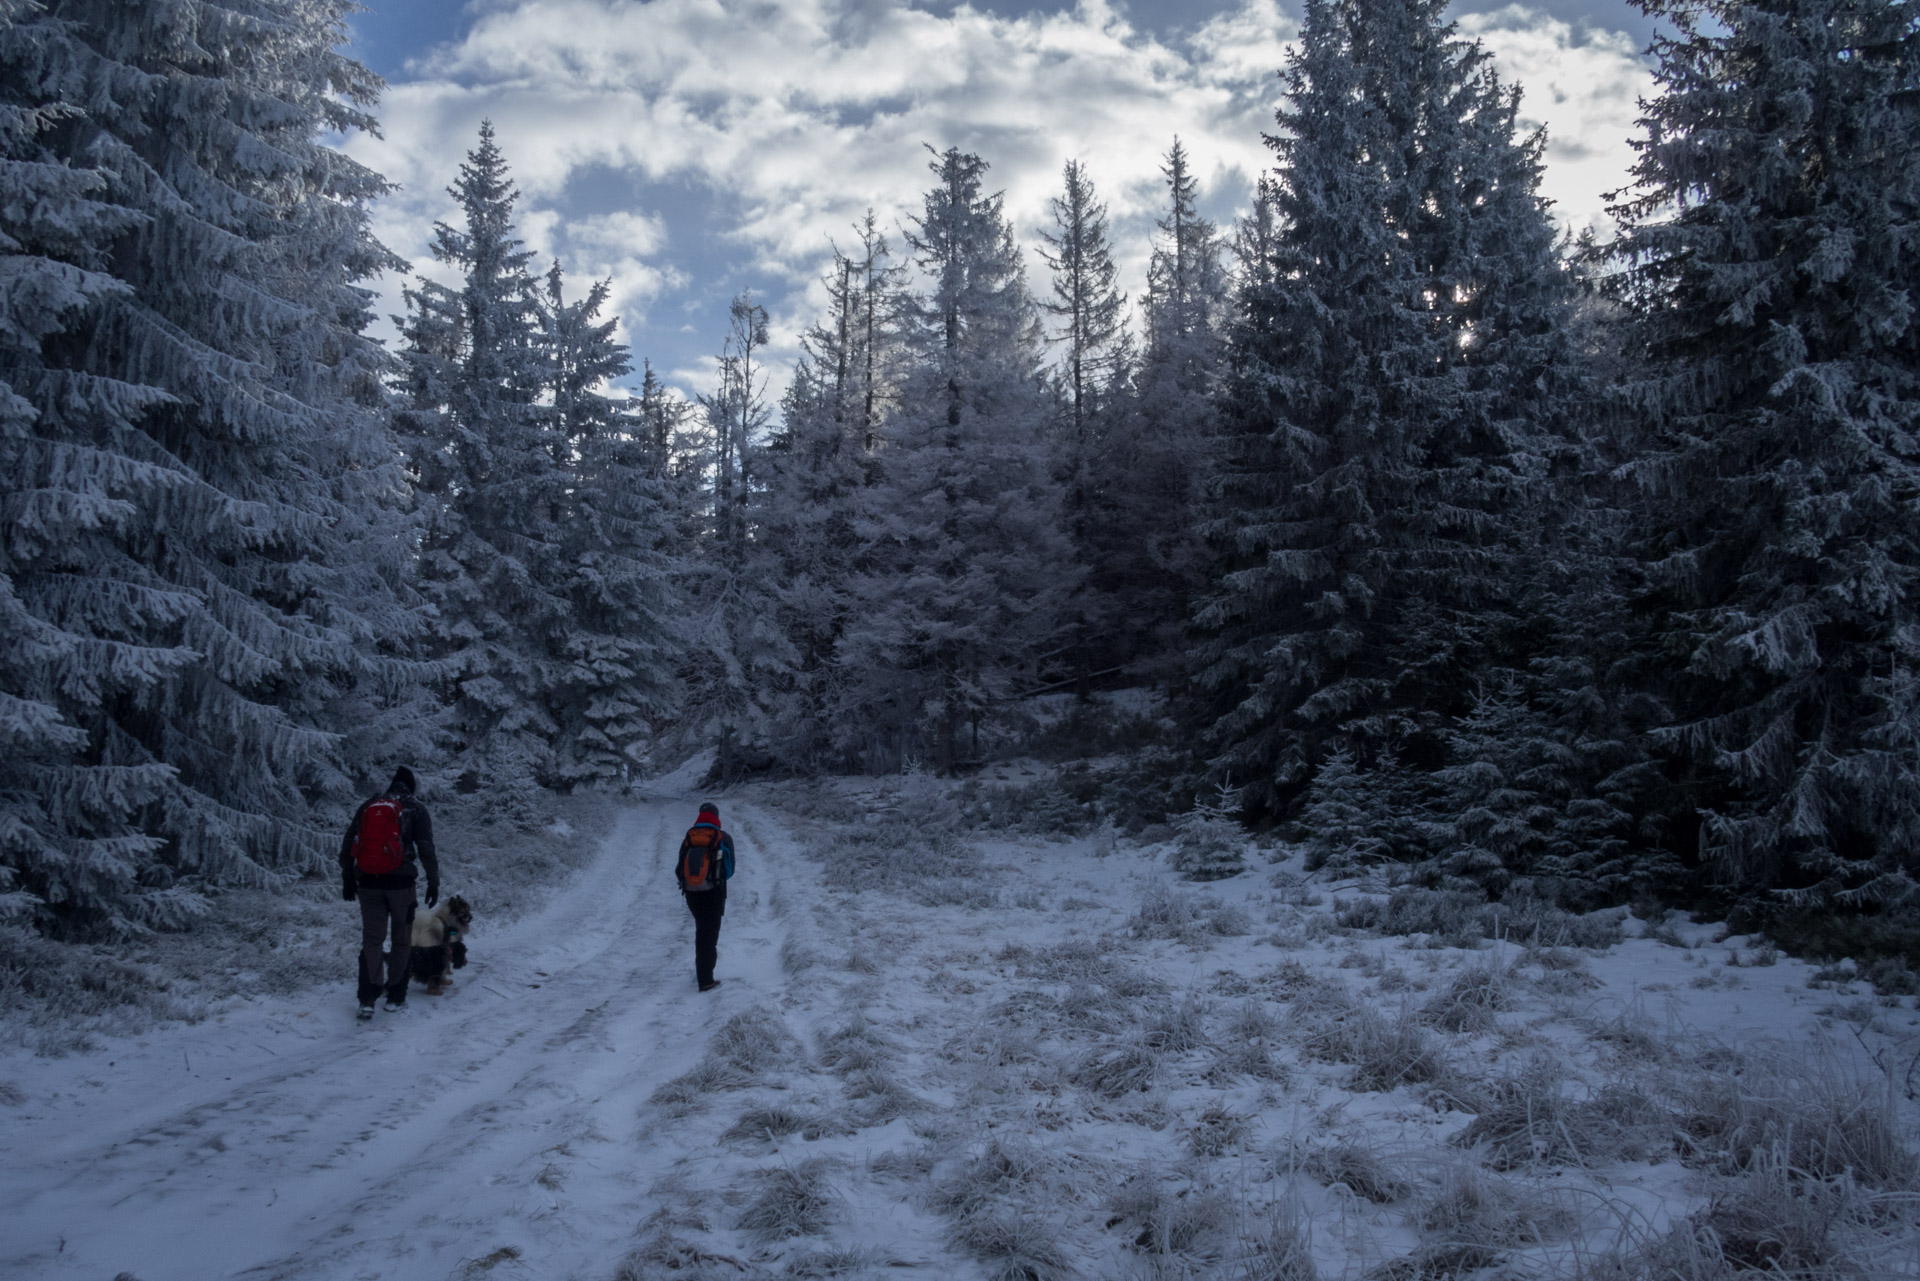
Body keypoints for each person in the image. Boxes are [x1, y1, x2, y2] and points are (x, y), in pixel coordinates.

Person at [340, 766, 439, 1020]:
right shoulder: (416, 808)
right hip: (401, 886)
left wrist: (348, 879)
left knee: (372, 940)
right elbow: (426, 847)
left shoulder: (369, 805)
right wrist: (433, 882)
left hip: (368, 883)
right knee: (401, 939)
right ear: (411, 787)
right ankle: (395, 996)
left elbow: (349, 842)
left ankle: (367, 999)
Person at [675, 801, 735, 992]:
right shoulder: (723, 837)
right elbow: (730, 870)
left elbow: (679, 869)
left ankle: (703, 973)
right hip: (714, 893)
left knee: (702, 931)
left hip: (691, 893)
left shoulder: (690, 836)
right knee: (708, 936)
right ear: (717, 817)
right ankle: (706, 980)